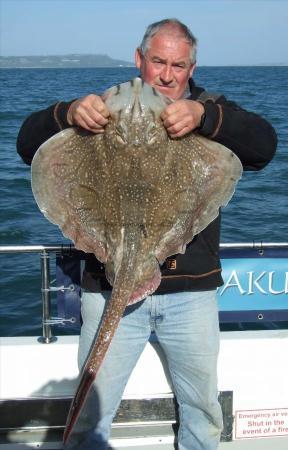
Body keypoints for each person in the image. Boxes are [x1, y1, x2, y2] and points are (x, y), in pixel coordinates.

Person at [17, 18, 277, 450]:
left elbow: (263, 146)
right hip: (108, 282)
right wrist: (67, 113)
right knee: (89, 414)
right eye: (158, 61)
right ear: (140, 60)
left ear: (192, 69)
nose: (167, 74)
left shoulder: (209, 108)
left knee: (204, 411)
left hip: (190, 295)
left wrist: (204, 116)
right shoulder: (100, 111)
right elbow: (29, 144)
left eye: (179, 65)